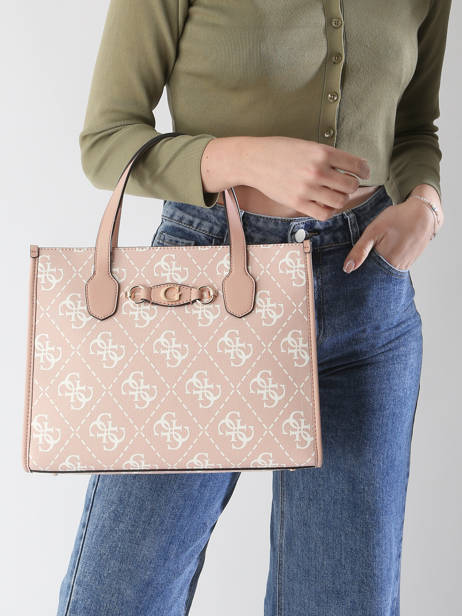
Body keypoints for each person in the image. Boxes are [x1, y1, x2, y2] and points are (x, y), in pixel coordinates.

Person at [57, 1, 451, 614]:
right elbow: (106, 142)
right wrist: (243, 158)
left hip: (367, 295)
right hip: (202, 292)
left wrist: (425, 201)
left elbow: (414, 129)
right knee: (118, 598)